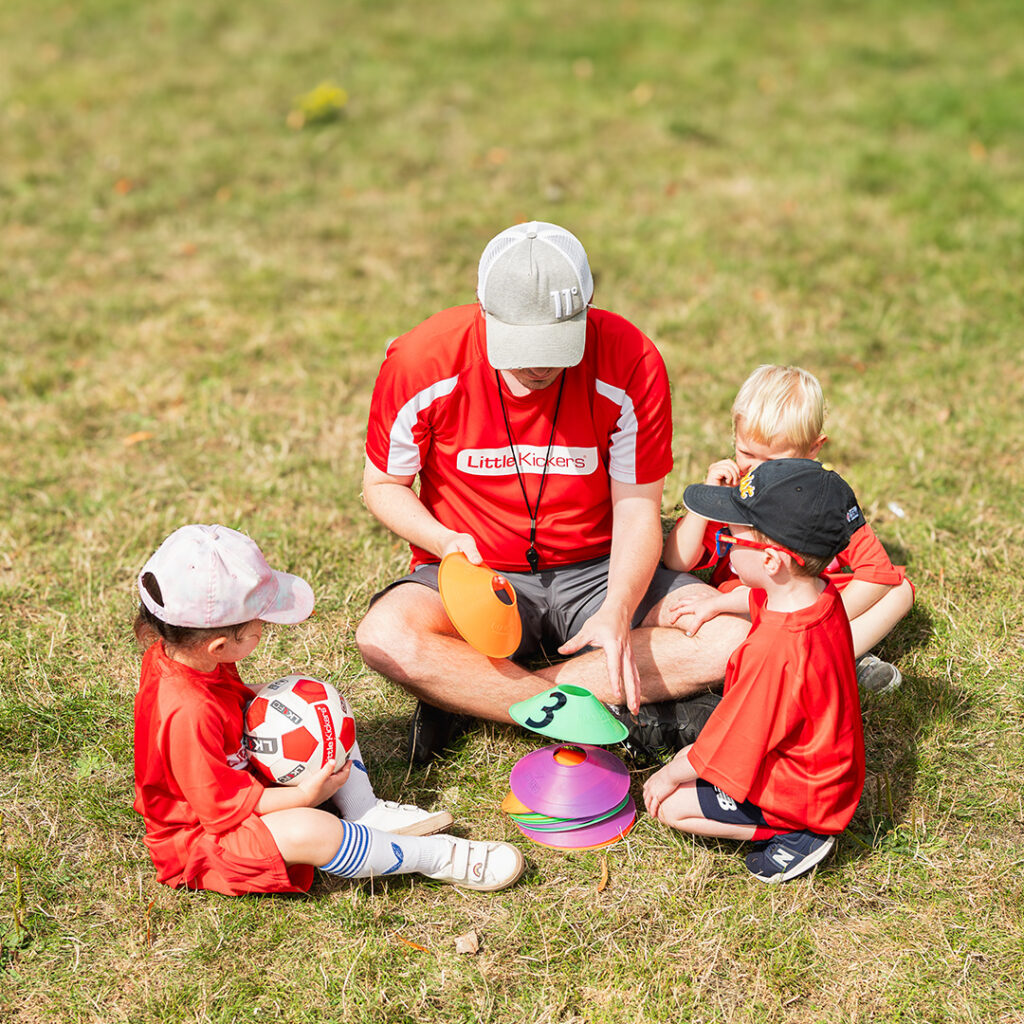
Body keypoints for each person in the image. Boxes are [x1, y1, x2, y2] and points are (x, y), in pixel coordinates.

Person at [355, 221, 749, 765]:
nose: (538, 366)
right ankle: (569, 702)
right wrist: (445, 540)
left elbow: (638, 511)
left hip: (600, 567)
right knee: (385, 635)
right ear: (482, 309)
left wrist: (618, 606)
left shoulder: (632, 359)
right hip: (475, 574)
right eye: (520, 347)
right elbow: (382, 485)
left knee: (735, 634)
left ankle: (477, 692)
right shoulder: (421, 360)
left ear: (588, 307)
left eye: (555, 347)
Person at [132, 524, 525, 896]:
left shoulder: (188, 657)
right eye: (258, 624)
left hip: (233, 773)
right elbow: (221, 810)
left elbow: (227, 697)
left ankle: (364, 811)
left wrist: (291, 699)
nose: (264, 629)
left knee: (317, 702)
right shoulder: (186, 712)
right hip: (203, 834)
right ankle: (437, 857)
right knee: (312, 830)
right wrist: (304, 794)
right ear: (217, 645)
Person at [643, 459, 866, 883]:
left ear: (771, 561)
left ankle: (798, 833)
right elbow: (762, 600)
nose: (725, 545)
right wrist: (719, 602)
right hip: (829, 765)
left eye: (730, 537)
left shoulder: (773, 652)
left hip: (806, 793)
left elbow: (730, 743)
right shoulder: (818, 595)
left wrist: (671, 770)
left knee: (669, 805)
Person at [663, 364, 914, 694]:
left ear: (813, 450)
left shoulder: (826, 497)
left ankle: (823, 654)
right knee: (734, 613)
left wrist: (819, 622)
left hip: (813, 605)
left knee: (901, 591)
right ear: (734, 438)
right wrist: (706, 500)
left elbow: (878, 572)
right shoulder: (733, 493)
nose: (757, 471)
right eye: (746, 453)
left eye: (775, 462)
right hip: (748, 606)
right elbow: (675, 561)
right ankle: (838, 660)